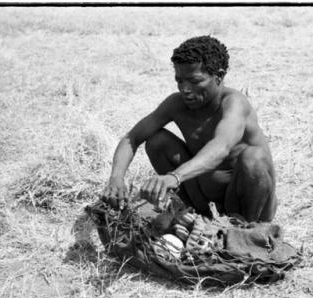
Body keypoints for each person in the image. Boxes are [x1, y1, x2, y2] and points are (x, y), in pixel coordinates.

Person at [101, 35, 276, 222]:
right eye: (180, 81)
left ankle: (248, 229)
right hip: (203, 201)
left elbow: (221, 147)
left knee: (254, 158)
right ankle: (197, 215)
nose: (185, 89)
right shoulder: (176, 104)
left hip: (244, 205)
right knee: (157, 141)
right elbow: (132, 138)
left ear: (219, 76)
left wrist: (175, 177)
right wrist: (116, 178)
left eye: (194, 81)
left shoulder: (235, 104)